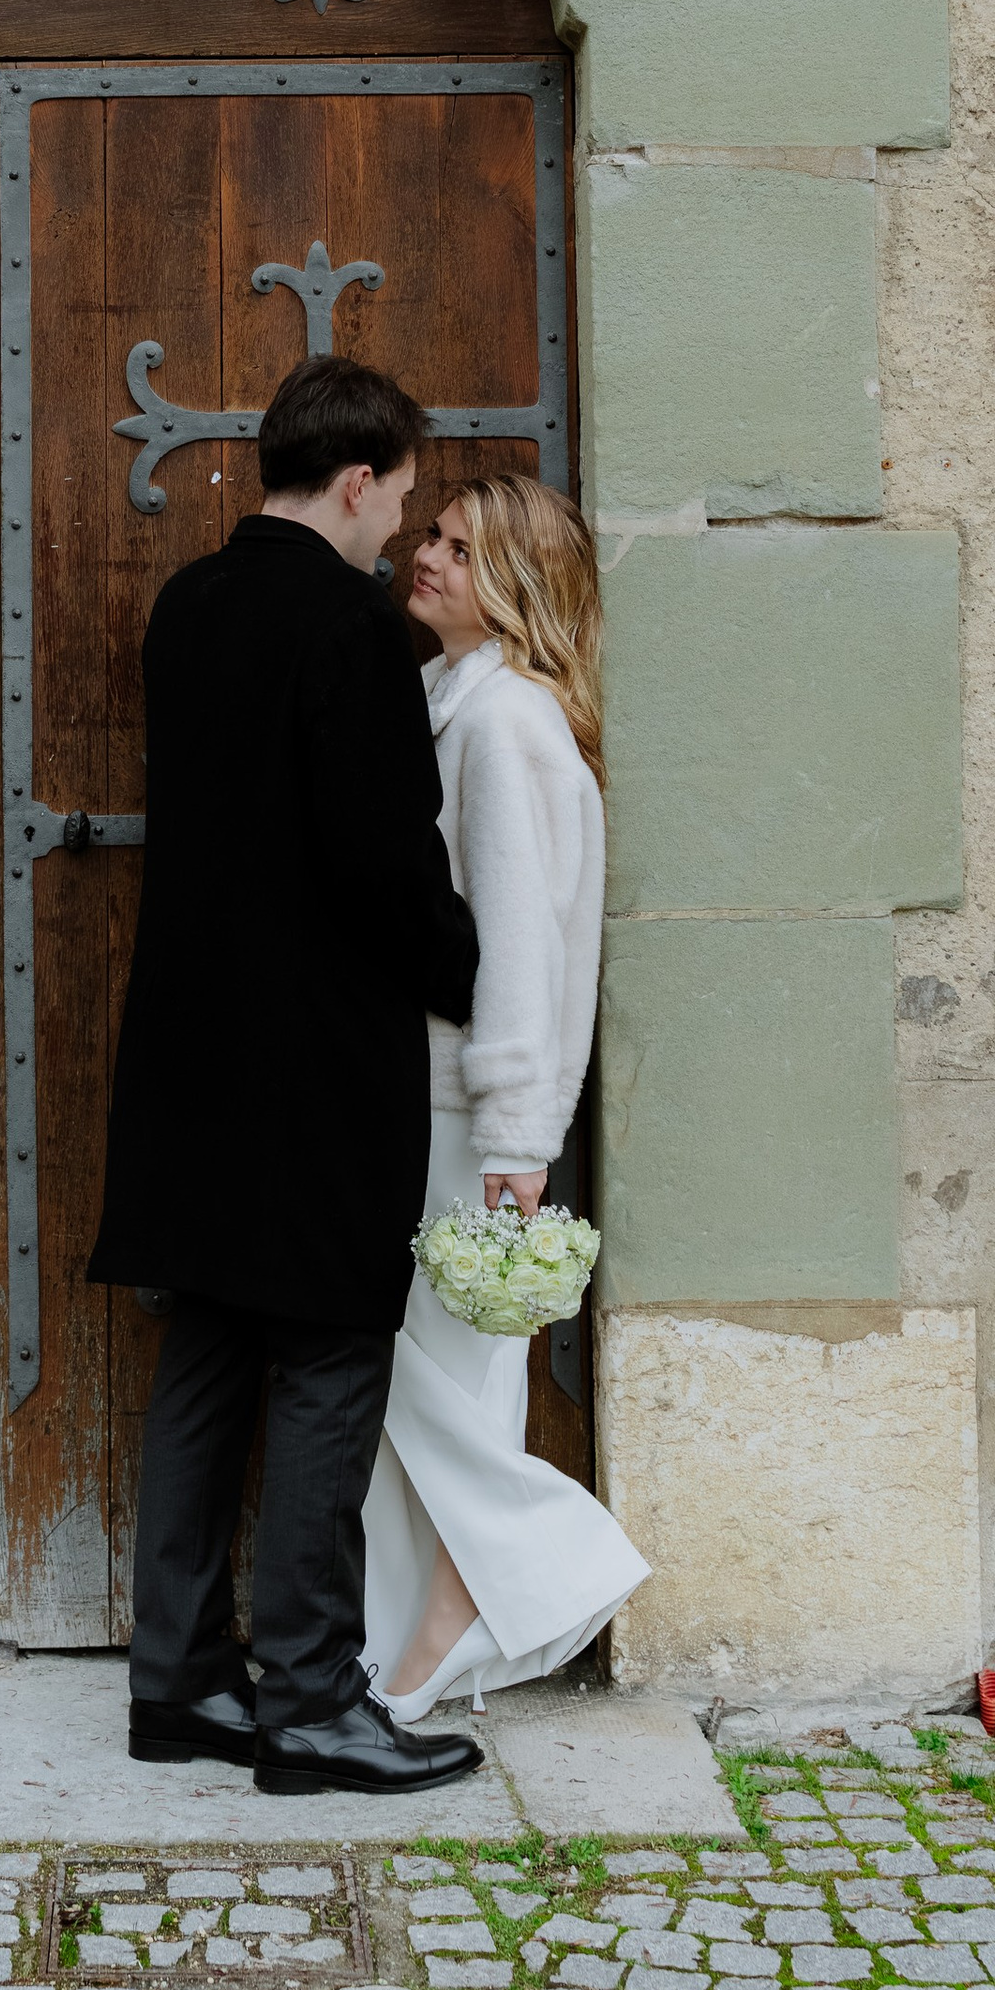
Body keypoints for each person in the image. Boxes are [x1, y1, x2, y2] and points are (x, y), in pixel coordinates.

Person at [88, 355, 491, 1800]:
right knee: (327, 1366)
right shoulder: (348, 628)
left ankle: (182, 1681)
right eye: (403, 501)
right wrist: (470, 970)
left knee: (205, 1354)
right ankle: (313, 1704)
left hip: (191, 1051)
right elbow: (386, 862)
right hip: (316, 1062)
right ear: (360, 479)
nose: (404, 534)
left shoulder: (189, 604)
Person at [362, 476, 652, 1718]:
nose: (426, 555)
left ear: (517, 590)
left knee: (422, 1370)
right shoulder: (455, 703)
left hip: (462, 1107)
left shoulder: (502, 726)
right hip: (446, 1097)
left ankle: (524, 1567)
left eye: (461, 549)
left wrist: (519, 1137)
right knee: (437, 1373)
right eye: (430, 533)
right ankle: (417, 1642)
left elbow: (524, 948)